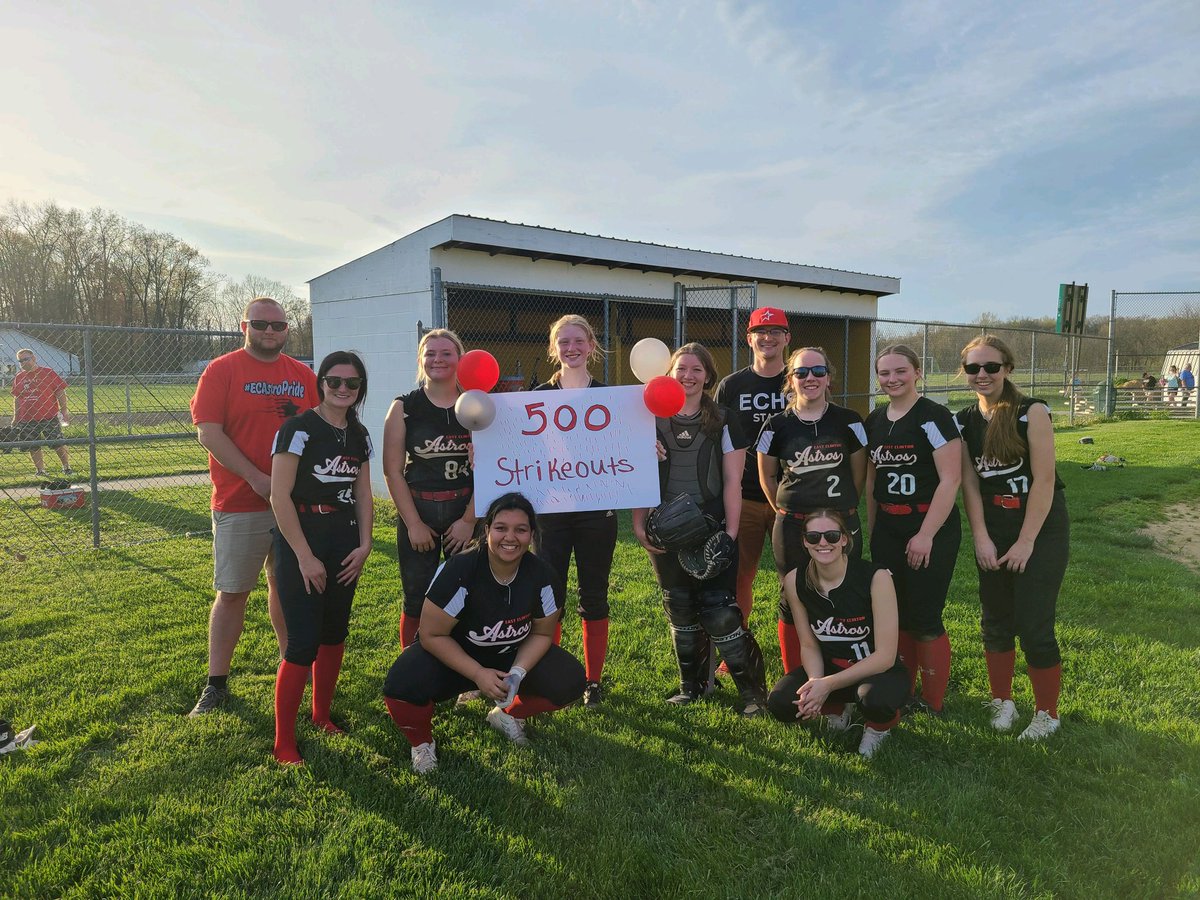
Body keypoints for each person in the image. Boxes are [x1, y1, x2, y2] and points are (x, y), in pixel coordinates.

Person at [382, 492, 586, 773]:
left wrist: (517, 673)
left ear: (532, 534)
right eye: (501, 528)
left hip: (508, 656)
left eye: (521, 529)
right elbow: (431, 635)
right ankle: (421, 742)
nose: (510, 537)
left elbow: (541, 634)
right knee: (401, 684)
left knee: (570, 680)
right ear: (487, 529)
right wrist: (478, 673)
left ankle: (507, 714)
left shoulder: (542, 575)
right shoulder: (460, 570)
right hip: (454, 657)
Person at [188, 297, 319, 716]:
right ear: (244, 325)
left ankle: (293, 667)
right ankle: (216, 683)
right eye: (261, 323)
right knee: (232, 593)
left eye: (278, 325)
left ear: (287, 330)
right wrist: (257, 478)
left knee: (285, 585)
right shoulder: (221, 370)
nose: (270, 331)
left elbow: (321, 428)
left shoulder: (302, 375)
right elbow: (209, 433)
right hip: (241, 501)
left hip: (296, 505)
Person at [632, 343, 769, 716]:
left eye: (696, 369)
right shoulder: (649, 418)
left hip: (711, 524)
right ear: (669, 373)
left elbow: (732, 482)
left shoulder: (725, 419)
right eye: (681, 369)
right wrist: (639, 524)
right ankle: (690, 687)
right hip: (666, 527)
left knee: (720, 611)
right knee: (679, 607)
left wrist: (732, 532)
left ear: (708, 376)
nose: (688, 376)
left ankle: (753, 695)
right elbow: (637, 476)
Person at [955, 335, 1069, 741]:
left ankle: (1047, 714)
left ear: (1008, 368)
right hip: (995, 524)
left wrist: (1026, 542)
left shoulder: (1031, 412)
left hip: (1038, 525)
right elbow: (969, 483)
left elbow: (1044, 481)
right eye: (973, 368)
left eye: (991, 367)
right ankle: (1002, 701)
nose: (982, 375)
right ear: (964, 372)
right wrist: (982, 538)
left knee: (1035, 624)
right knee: (995, 620)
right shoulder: (964, 421)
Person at [269, 351, 374, 765]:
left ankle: (322, 714)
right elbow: (279, 496)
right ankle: (283, 742)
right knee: (301, 643)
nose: (343, 389)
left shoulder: (359, 434)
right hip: (303, 538)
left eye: (352, 383)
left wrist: (365, 545)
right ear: (321, 383)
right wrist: (304, 557)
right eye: (334, 381)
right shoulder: (298, 428)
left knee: (335, 634)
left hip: (344, 539)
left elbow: (363, 493)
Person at [757, 347, 867, 674]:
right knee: (793, 599)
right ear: (790, 379)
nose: (810, 379)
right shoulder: (775, 425)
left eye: (818, 372)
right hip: (792, 525)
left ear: (829, 378)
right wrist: (785, 508)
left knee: (844, 595)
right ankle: (796, 676)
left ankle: (841, 675)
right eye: (802, 373)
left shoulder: (850, 421)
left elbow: (859, 474)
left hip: (840, 521)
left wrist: (840, 511)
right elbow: (767, 475)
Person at [865, 345, 961, 715]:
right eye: (885, 373)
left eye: (900, 371)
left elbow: (950, 480)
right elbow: (875, 479)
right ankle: (904, 689)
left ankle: (933, 701)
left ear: (917, 372)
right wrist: (875, 530)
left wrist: (925, 535)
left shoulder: (933, 417)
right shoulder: (875, 420)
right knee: (896, 613)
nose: (892, 379)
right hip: (889, 527)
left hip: (928, 526)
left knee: (924, 615)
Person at [767, 510, 908, 759]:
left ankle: (879, 726)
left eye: (831, 535)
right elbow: (809, 645)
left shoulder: (876, 577)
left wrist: (827, 685)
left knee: (874, 700)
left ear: (844, 539)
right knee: (780, 702)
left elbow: (886, 656)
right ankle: (836, 708)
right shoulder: (794, 580)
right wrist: (814, 683)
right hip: (830, 669)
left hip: (876, 671)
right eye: (814, 536)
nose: (823, 543)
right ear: (805, 542)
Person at [532, 314, 617, 707]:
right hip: (550, 511)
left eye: (578, 341)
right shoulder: (536, 397)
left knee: (594, 595)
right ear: (554, 348)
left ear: (591, 345)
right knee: (551, 595)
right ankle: (552, 673)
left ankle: (593, 681)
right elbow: (520, 449)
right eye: (562, 341)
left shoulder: (609, 397)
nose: (571, 348)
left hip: (595, 511)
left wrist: (643, 451)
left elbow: (623, 447)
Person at [382, 329, 474, 647]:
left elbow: (493, 469)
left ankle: (467, 674)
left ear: (459, 359)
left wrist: (469, 521)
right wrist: (414, 524)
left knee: (467, 593)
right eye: (430, 353)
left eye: (446, 352)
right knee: (416, 597)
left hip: (465, 509)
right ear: (421, 359)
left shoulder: (475, 403)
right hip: (419, 508)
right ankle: (413, 671)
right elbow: (393, 472)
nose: (438, 359)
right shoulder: (405, 407)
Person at [714, 307, 790, 635]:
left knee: (798, 576)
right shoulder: (732, 386)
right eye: (761, 331)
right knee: (740, 576)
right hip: (744, 495)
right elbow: (713, 438)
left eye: (775, 331)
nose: (768, 337)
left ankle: (804, 648)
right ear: (749, 338)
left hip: (792, 495)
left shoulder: (802, 379)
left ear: (787, 338)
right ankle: (738, 650)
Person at [11, 349, 73, 479]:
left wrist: (64, 410)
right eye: (20, 361)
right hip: (27, 418)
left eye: (26, 359)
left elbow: (60, 391)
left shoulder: (47, 373)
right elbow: (17, 398)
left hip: (48, 416)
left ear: (34, 358)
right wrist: (16, 417)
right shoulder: (19, 377)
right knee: (33, 445)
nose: (23, 363)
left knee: (57, 443)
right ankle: (40, 470)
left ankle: (66, 466)